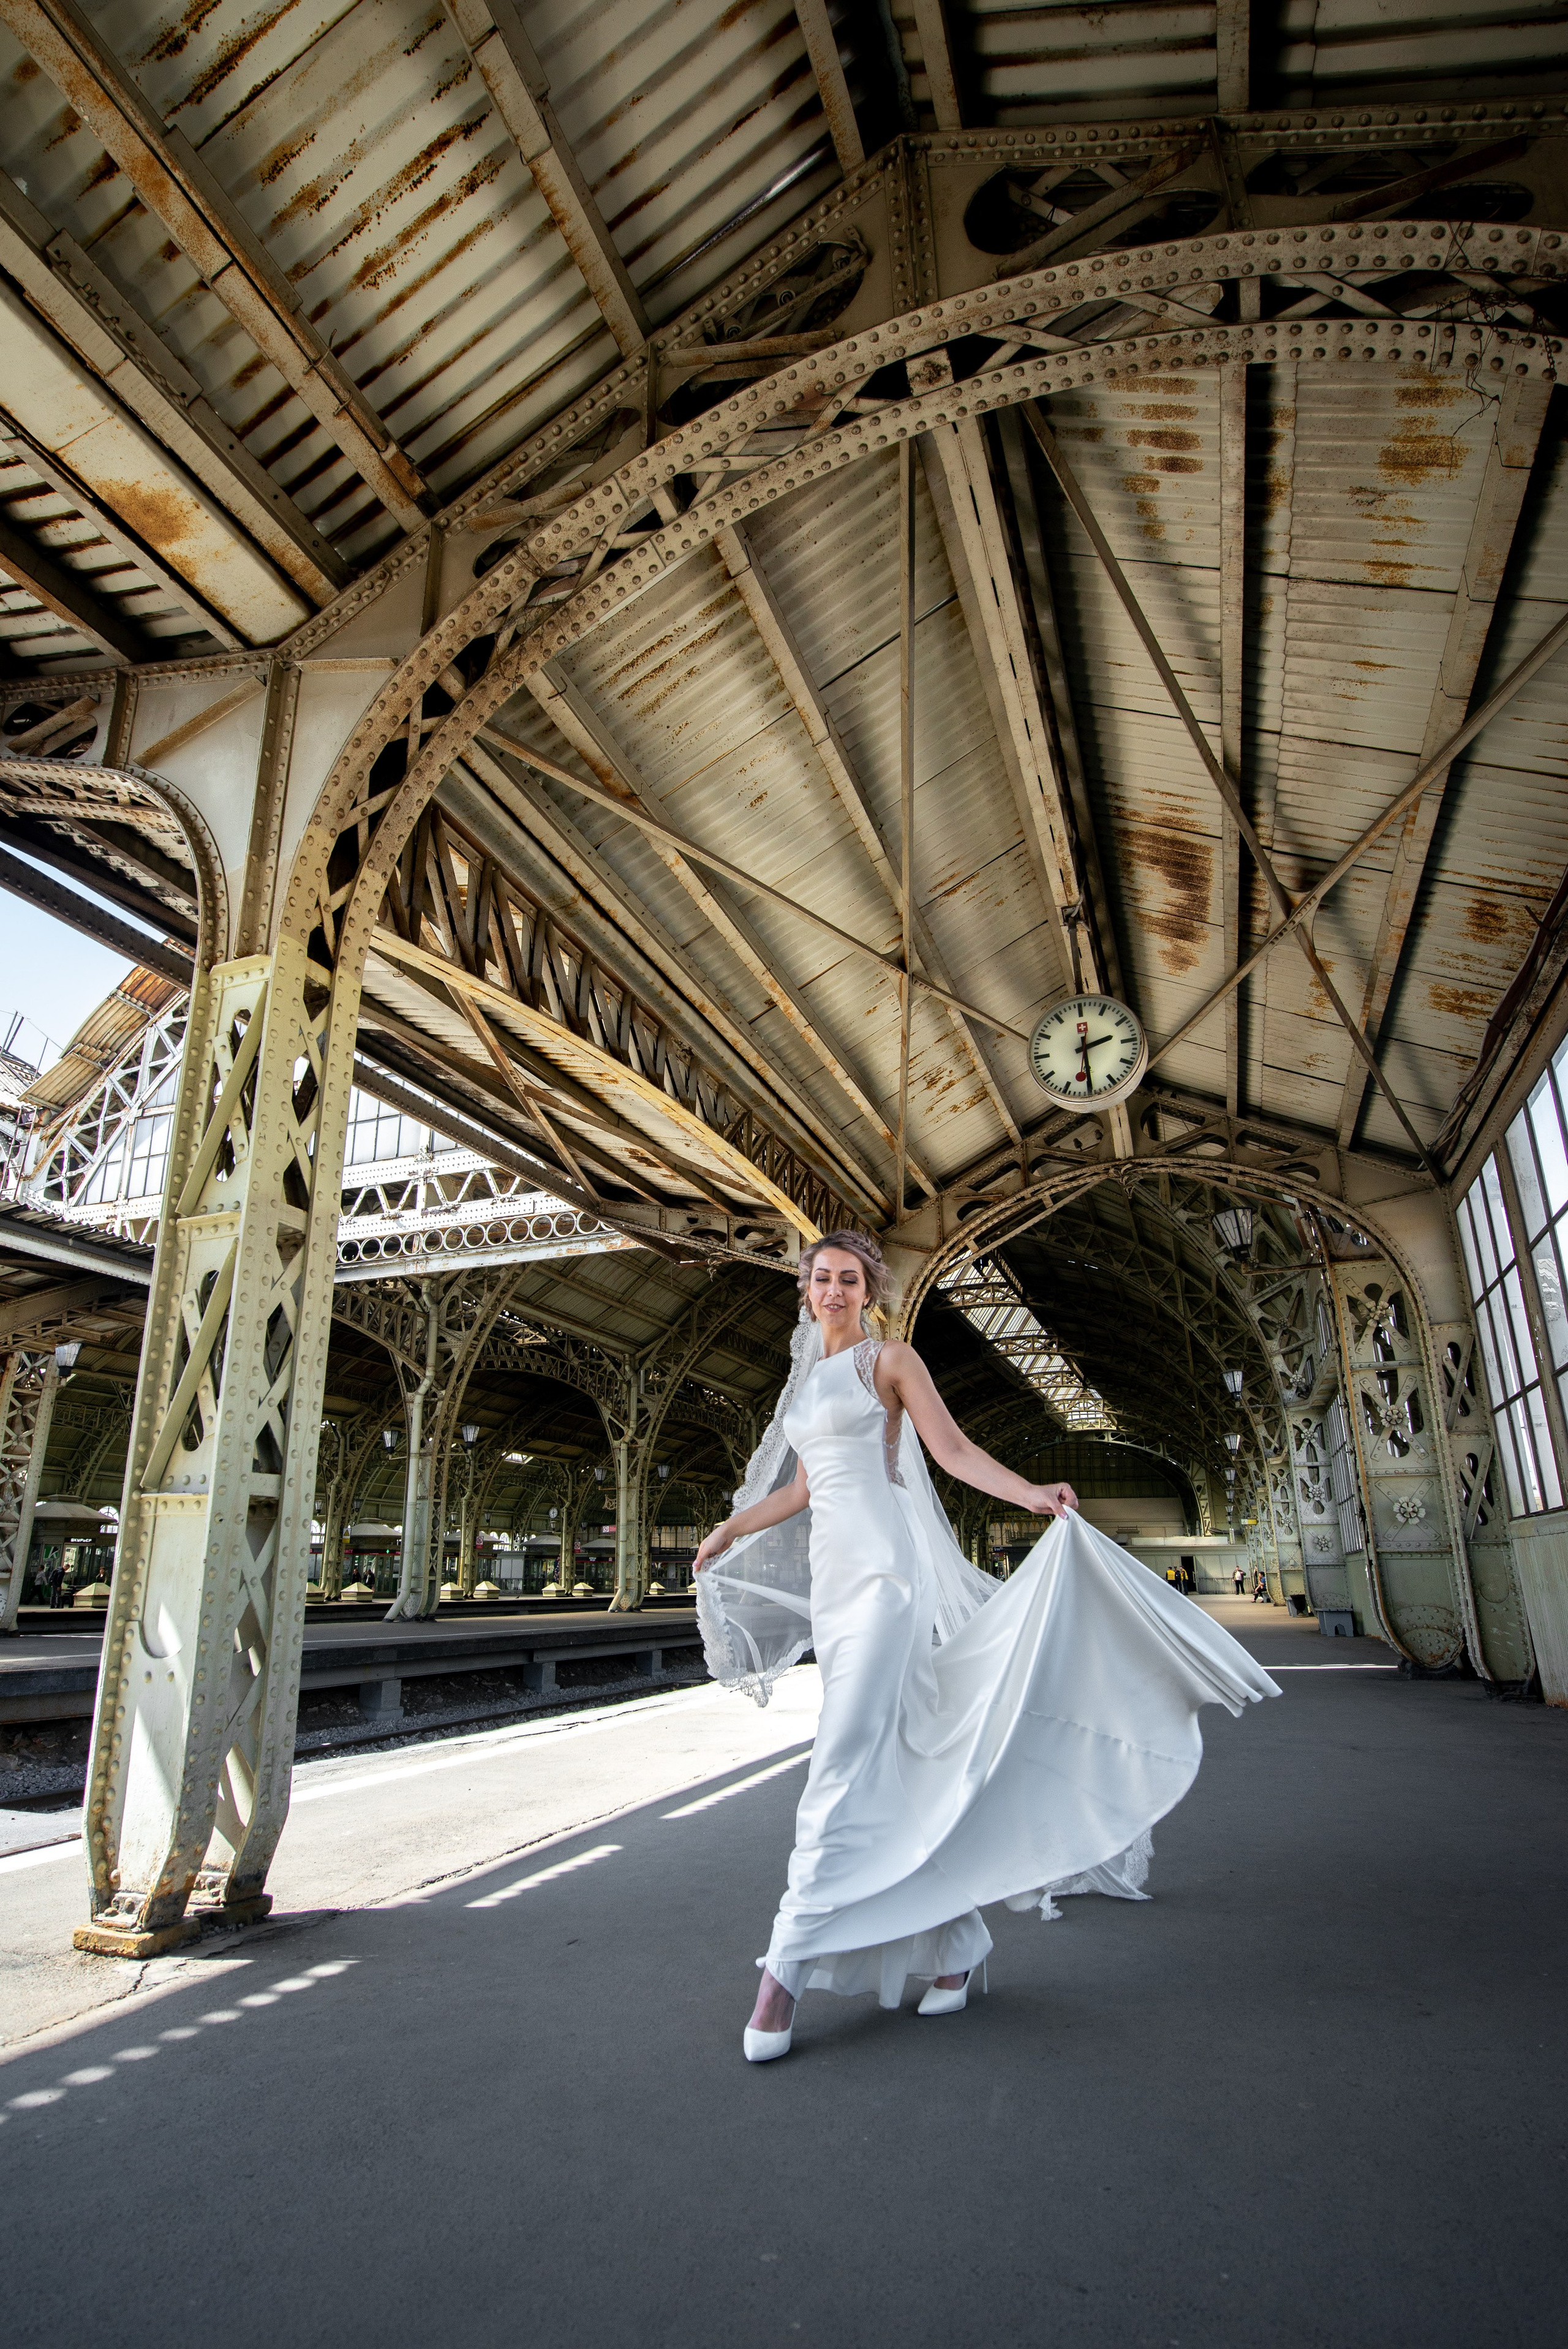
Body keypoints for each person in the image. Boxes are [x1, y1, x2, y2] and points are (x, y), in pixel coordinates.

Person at [694, 1231, 1280, 2064]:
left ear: (869, 1290)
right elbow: (799, 1488)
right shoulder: (804, 1386)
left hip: (887, 1580)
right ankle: (958, 1951)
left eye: (848, 1279)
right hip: (835, 1581)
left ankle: (782, 1975)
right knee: (891, 1762)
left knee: (840, 1762)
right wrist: (727, 1527)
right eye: (820, 1278)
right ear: (803, 1289)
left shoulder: (890, 1363)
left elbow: (954, 1452)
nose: (833, 1290)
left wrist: (1034, 1492)